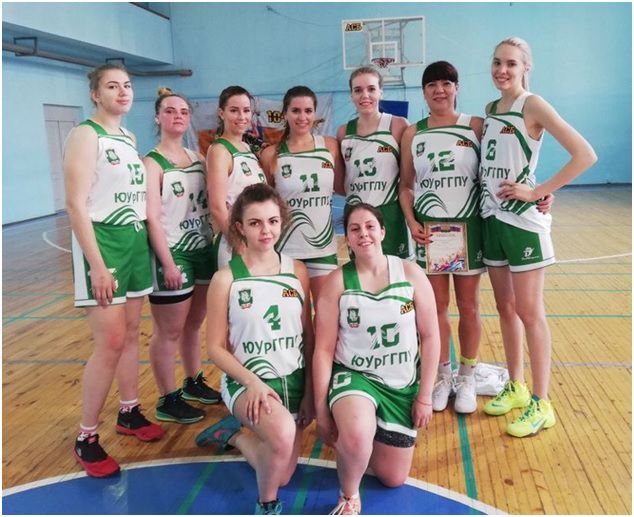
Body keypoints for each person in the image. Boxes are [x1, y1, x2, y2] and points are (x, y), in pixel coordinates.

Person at [480, 37, 597, 437]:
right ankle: (516, 385)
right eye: (497, 62)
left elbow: (585, 154)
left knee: (530, 313)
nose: (502, 70)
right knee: (505, 308)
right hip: (491, 218)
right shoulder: (490, 109)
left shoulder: (533, 104)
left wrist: (539, 191)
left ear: (526, 67)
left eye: (511, 63)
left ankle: (542, 402)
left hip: (522, 222)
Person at [64, 63, 163, 478]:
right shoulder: (86, 134)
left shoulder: (128, 137)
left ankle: (129, 411)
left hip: (133, 239)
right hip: (102, 242)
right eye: (112, 86)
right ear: (95, 93)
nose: (122, 92)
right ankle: (86, 437)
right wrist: (97, 265)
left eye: (127, 86)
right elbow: (75, 204)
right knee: (111, 341)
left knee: (131, 334)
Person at [194, 183, 315, 515]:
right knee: (282, 436)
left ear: (282, 222)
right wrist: (252, 382)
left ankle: (233, 436)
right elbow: (215, 348)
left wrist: (310, 392)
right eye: (255, 222)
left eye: (273, 221)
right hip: (247, 382)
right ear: (239, 227)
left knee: (283, 473)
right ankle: (266, 504)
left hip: (293, 379)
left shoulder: (297, 271)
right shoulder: (225, 279)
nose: (266, 231)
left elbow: (308, 334)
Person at [313, 203, 440, 515]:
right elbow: (324, 350)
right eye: (355, 229)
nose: (363, 234)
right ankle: (349, 495)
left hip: (400, 385)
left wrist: (425, 396)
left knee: (393, 478)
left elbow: (431, 337)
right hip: (355, 377)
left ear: (382, 231)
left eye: (370, 226)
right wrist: (321, 410)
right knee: (357, 435)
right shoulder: (337, 282)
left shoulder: (410, 274)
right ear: (347, 238)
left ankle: (360, 442)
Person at [399, 61, 485, 414]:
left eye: (446, 83)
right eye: (432, 84)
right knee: (436, 307)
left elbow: (501, 168)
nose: (439, 90)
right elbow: (406, 186)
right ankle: (443, 375)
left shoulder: (475, 126)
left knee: (469, 306)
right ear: (424, 92)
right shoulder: (412, 134)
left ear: (456, 87)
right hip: (431, 233)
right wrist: (411, 220)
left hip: (468, 228)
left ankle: (468, 375)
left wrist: (538, 192)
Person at [144, 87, 221, 425]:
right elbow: (151, 218)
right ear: (157, 117)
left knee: (194, 323)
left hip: (203, 249)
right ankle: (167, 398)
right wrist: (168, 263)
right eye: (170, 111)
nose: (177, 116)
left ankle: (192, 381)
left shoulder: (198, 158)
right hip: (174, 253)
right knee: (168, 331)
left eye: (183, 112)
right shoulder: (152, 163)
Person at [260, 85, 340, 301]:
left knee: (326, 311)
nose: (302, 117)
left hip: (322, 247)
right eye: (295, 111)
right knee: (293, 314)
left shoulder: (330, 146)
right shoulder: (271, 154)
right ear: (285, 114)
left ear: (315, 114)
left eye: (308, 111)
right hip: (286, 247)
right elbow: (265, 204)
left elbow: (344, 186)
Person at [336, 66, 412, 260]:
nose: (365, 95)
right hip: (356, 214)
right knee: (362, 272)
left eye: (371, 89)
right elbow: (341, 184)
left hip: (390, 213)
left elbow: (408, 180)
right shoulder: (344, 132)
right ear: (351, 95)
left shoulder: (398, 125)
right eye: (358, 90)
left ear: (381, 92)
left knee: (397, 272)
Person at [206, 86, 267, 270]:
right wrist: (238, 244)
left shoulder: (246, 149)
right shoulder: (220, 151)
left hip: (254, 240)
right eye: (234, 110)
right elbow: (217, 207)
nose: (242, 116)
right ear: (221, 113)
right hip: (233, 244)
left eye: (246, 110)